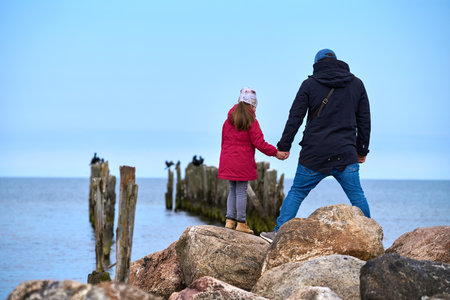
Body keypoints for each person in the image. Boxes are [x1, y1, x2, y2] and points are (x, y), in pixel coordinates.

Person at [260, 49, 371, 243]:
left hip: (314, 153)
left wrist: (284, 146)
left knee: (297, 192)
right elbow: (364, 120)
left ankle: (278, 233)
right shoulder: (356, 84)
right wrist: (361, 150)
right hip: (345, 152)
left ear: (316, 64)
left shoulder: (309, 84)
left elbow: (295, 117)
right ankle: (370, 234)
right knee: (357, 195)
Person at [218, 87, 285, 234]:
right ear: (253, 105)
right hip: (242, 161)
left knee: (232, 190)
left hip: (227, 160)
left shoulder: (227, 121)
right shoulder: (251, 121)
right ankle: (241, 223)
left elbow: (223, 142)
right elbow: (259, 143)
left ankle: (229, 221)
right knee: (241, 191)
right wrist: (275, 153)